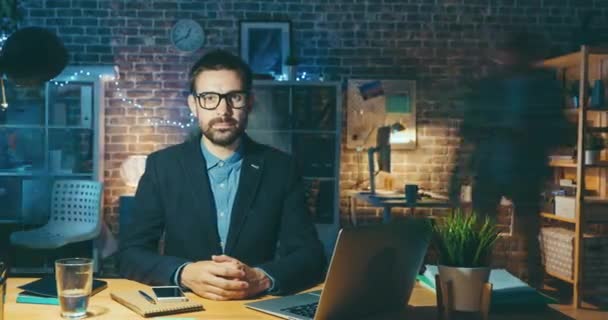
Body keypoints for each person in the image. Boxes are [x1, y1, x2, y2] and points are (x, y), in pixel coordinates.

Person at [119, 50, 326, 300]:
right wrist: (184, 273)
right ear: (193, 105)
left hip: (253, 309)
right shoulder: (162, 166)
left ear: (249, 103)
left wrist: (261, 278)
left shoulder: (281, 168)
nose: (223, 110)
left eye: (234, 97)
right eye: (209, 98)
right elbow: (130, 254)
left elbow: (311, 257)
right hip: (184, 307)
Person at [450, 31, 573, 285]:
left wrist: (529, 134)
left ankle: (532, 284)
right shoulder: (489, 85)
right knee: (482, 229)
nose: (506, 59)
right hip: (490, 166)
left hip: (525, 166)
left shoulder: (543, 84)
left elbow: (557, 125)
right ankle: (476, 284)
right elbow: (470, 127)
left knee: (529, 232)